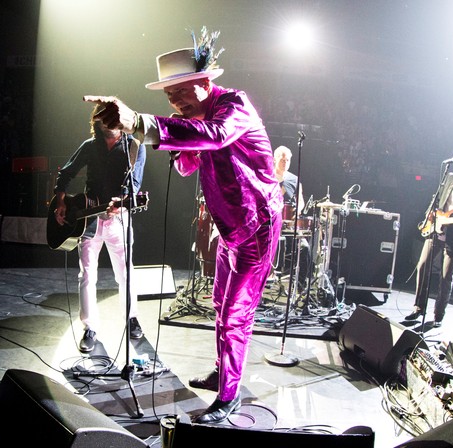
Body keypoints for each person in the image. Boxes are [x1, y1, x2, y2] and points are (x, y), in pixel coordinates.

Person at [85, 28, 283, 424]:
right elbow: (189, 163)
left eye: (180, 91)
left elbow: (217, 136)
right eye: (168, 95)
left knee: (235, 315)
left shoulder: (234, 106)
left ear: (206, 83)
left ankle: (230, 396)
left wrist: (143, 122)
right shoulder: (194, 117)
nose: (173, 100)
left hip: (256, 229)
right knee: (219, 307)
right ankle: (223, 370)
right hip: (229, 228)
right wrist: (174, 141)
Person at [53, 107, 146, 353]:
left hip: (119, 219)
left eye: (112, 119)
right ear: (97, 121)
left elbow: (134, 184)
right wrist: (61, 200)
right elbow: (67, 172)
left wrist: (122, 200)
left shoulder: (134, 146)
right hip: (88, 220)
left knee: (125, 273)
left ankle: (132, 318)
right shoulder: (90, 145)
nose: (108, 124)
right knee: (87, 275)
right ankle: (90, 328)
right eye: (104, 120)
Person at [406, 152, 453, 327]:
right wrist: (430, 215)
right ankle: (419, 307)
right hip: (436, 230)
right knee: (423, 265)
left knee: (445, 276)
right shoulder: (449, 179)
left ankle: (438, 315)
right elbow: (435, 200)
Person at [274, 145, 310, 291]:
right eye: (282, 160)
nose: (285, 162)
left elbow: (300, 201)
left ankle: (300, 284)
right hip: (271, 223)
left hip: (289, 224)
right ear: (275, 159)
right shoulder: (267, 176)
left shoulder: (294, 180)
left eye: (287, 160)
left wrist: (297, 210)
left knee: (305, 248)